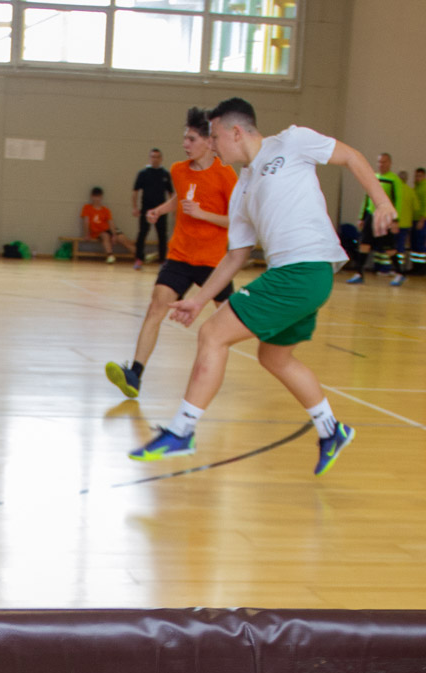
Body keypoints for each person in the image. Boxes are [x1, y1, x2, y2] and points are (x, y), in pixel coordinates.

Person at [129, 97, 397, 476]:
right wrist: (198, 300)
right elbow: (236, 255)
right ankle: (330, 430)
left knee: (212, 335)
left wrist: (381, 202)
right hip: (295, 275)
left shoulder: (292, 141)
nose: (213, 145)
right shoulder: (243, 187)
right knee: (274, 357)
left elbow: (351, 156)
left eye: (215, 137)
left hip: (305, 269)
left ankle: (181, 431)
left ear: (236, 132)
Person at [105, 107, 237, 399]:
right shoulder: (178, 170)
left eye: (191, 139)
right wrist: (160, 210)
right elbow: (181, 197)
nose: (184, 144)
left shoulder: (226, 175)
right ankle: (134, 374)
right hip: (179, 256)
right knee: (156, 307)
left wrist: (203, 215)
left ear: (209, 142)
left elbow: (237, 220)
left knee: (231, 319)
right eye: (184, 138)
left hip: (213, 262)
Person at [346, 152, 400, 285]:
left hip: (384, 217)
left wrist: (395, 220)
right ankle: (359, 273)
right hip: (371, 215)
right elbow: (367, 198)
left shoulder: (394, 180)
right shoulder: (374, 177)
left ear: (389, 163)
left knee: (389, 246)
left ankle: (400, 273)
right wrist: (362, 217)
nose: (381, 164)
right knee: (364, 243)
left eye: (384, 162)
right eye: (379, 162)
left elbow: (398, 201)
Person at [131, 148, 174, 268]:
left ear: (161, 158)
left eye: (157, 157)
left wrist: (173, 209)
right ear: (150, 158)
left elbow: (171, 193)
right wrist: (135, 207)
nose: (155, 159)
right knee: (142, 234)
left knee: (162, 235)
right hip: (146, 209)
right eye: (153, 157)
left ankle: (162, 261)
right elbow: (135, 191)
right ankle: (139, 259)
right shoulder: (143, 173)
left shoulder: (165, 174)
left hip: (161, 210)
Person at [80, 187, 134, 263]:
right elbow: (86, 221)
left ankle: (140, 256)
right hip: (99, 232)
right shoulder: (87, 208)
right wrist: (86, 234)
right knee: (105, 236)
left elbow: (111, 222)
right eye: (95, 196)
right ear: (92, 197)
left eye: (99, 196)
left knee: (124, 240)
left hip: (109, 229)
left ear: (101, 197)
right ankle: (110, 255)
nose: (97, 199)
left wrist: (114, 235)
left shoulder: (105, 210)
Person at [410, 167, 426, 275]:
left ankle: (422, 268)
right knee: (414, 244)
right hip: (414, 220)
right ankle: (415, 267)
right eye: (416, 176)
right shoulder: (416, 187)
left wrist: (422, 220)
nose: (417, 178)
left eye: (419, 176)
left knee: (420, 244)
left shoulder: (424, 188)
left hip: (421, 221)